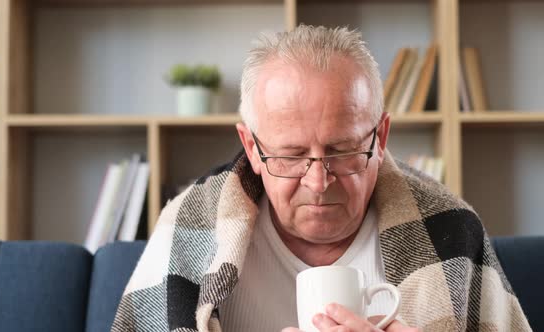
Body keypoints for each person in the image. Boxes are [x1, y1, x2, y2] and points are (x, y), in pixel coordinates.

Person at [111, 25, 531, 332]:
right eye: (291, 156)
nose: (318, 182)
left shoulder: (452, 229)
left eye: (343, 151)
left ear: (380, 137)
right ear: (252, 147)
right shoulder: (186, 230)